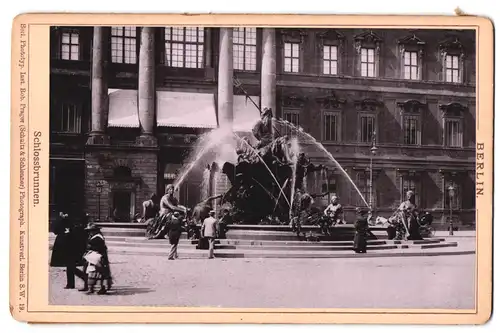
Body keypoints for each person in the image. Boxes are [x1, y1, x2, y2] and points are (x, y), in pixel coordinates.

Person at [50, 211, 87, 290]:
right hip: (69, 246)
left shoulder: (63, 221)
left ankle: (82, 278)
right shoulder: (72, 221)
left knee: (70, 265)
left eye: (61, 213)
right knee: (70, 265)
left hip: (66, 246)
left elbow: (55, 230)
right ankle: (72, 283)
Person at [83, 223, 112, 295]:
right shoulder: (94, 237)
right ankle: (92, 288)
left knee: (98, 273)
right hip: (94, 257)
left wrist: (90, 247)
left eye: (91, 231)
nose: (90, 232)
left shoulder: (98, 238)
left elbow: (100, 248)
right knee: (93, 273)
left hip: (97, 257)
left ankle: (100, 288)